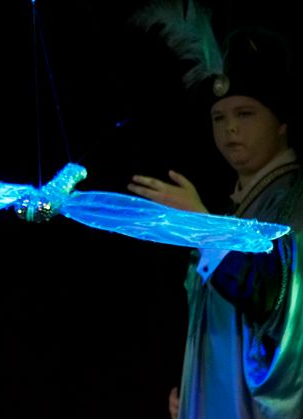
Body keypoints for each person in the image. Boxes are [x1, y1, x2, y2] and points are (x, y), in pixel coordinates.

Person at [130, 3, 303, 418]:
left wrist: (201, 225)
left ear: (280, 122)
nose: (230, 129)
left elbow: (275, 299)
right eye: (219, 117)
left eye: (245, 114)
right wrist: (194, 383)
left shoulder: (294, 201)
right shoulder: (237, 205)